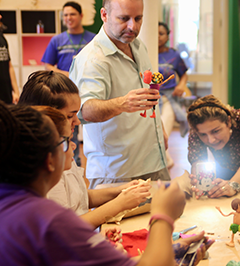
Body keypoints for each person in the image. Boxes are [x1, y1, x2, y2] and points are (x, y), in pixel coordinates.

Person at [0, 93, 205, 266]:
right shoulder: (45, 219)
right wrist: (163, 217)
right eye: (65, 142)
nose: (73, 146)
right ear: (49, 160)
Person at [18, 70, 150, 228]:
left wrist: (120, 191)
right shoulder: (43, 166)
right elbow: (64, 228)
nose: (77, 121)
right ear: (45, 116)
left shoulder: (60, 151)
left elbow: (79, 198)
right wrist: (120, 204)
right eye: (69, 116)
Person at [70, 0, 170, 189]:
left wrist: (158, 128)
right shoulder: (92, 59)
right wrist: (123, 102)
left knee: (163, 219)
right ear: (104, 15)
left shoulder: (138, 45)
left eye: (138, 18)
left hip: (154, 160)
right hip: (118, 172)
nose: (133, 26)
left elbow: (147, 94)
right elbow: (84, 111)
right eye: (124, 18)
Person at [41, 1, 96, 166]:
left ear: (81, 16)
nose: (68, 18)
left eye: (72, 14)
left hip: (89, 90)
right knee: (69, 126)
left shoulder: (93, 39)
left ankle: (88, 163)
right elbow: (48, 66)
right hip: (65, 92)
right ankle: (71, 162)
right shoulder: (57, 40)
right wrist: (69, 75)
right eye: (65, 15)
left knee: (92, 128)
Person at [158, 22, 190, 169]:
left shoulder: (174, 55)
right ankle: (166, 161)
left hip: (169, 98)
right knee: (153, 131)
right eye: (155, 33)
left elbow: (184, 75)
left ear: (167, 36)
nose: (158, 37)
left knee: (163, 129)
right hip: (150, 99)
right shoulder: (142, 53)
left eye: (161, 33)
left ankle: (165, 162)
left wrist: (181, 85)